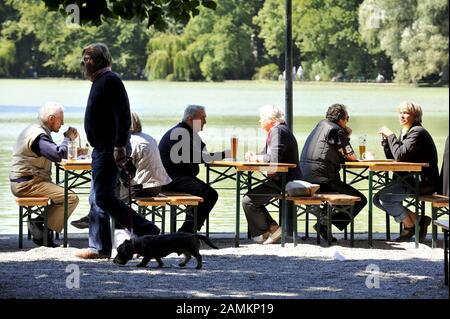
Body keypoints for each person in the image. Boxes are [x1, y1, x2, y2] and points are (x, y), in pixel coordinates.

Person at [75, 43, 160, 259]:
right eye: (84, 58)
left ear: (102, 59)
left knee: (103, 197)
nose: (85, 62)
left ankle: (147, 230)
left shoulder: (110, 81)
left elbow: (123, 116)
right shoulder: (99, 81)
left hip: (110, 149)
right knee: (96, 198)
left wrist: (120, 146)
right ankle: (99, 248)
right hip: (102, 149)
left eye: (89, 58)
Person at [71, 111, 172, 230]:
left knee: (105, 184)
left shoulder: (130, 141)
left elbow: (122, 167)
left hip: (143, 187)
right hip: (157, 185)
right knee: (110, 185)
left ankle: (98, 217)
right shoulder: (148, 137)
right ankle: (103, 219)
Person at [10, 101, 80, 247]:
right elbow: (59, 154)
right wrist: (67, 138)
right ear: (51, 118)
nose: (63, 123)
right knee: (71, 198)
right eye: (61, 120)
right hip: (28, 184)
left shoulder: (35, 129)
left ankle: (41, 225)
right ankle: (40, 226)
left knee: (63, 193)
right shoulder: (39, 135)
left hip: (25, 181)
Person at [299, 103, 367, 241]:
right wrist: (346, 134)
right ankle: (324, 221)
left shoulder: (320, 125)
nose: (347, 121)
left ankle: (324, 217)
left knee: (342, 193)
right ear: (342, 119)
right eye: (347, 118)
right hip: (323, 179)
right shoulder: (336, 131)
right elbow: (351, 156)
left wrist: (344, 134)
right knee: (360, 200)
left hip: (305, 177)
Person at [374, 102, 439, 242]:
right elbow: (394, 157)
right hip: (408, 179)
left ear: (415, 116)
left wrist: (390, 135)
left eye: (406, 113)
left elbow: (399, 156)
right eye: (400, 112)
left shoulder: (417, 132)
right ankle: (418, 220)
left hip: (422, 182)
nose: (402, 115)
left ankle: (409, 227)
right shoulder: (407, 132)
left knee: (384, 198)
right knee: (376, 199)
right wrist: (386, 141)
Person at [159, 104, 227, 233]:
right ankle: (187, 232)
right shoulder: (180, 134)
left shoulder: (190, 133)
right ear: (191, 119)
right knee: (209, 194)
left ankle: (187, 231)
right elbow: (200, 157)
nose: (205, 122)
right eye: (202, 118)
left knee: (205, 193)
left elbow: (204, 154)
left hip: (180, 177)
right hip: (170, 179)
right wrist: (225, 154)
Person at [242, 105, 302, 245]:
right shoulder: (277, 131)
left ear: (270, 119)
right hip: (280, 178)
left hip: (286, 180)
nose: (260, 121)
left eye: (262, 118)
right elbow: (267, 155)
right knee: (252, 198)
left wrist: (257, 158)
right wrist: (255, 155)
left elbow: (274, 159)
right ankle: (272, 229)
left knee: (248, 200)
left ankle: (271, 230)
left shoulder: (278, 131)